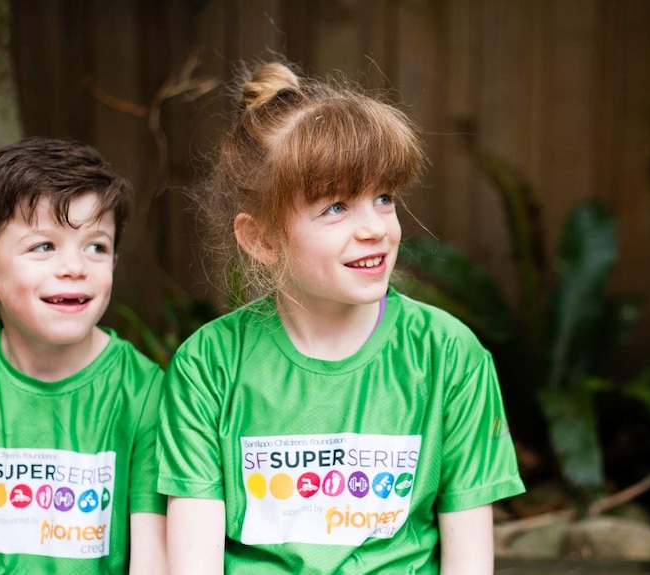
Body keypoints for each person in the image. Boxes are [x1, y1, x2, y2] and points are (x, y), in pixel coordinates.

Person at [156, 61, 525, 574]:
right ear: (261, 239)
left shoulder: (448, 354)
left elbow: (469, 559)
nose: (375, 227)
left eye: (384, 198)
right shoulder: (208, 365)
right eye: (335, 207)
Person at [0, 138, 167, 574]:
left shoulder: (144, 390)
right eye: (44, 246)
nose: (75, 267)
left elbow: (153, 562)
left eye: (96, 246)